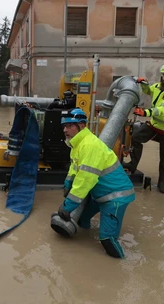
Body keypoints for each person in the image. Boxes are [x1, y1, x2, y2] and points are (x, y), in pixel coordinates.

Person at [57, 108, 135, 259]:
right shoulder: (77, 144)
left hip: (115, 197)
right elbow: (75, 166)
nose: (65, 130)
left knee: (107, 240)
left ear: (81, 125)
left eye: (69, 126)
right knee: (81, 219)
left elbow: (85, 180)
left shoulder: (90, 146)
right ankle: (84, 250)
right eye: (64, 127)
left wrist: (67, 206)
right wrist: (68, 181)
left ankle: (121, 268)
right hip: (99, 193)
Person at [122, 61, 164, 194]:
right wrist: (144, 84)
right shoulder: (159, 86)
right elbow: (149, 91)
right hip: (154, 125)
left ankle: (161, 183)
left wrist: (144, 112)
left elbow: (163, 109)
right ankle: (132, 165)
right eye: (163, 75)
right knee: (135, 138)